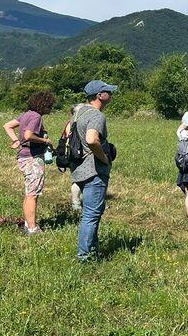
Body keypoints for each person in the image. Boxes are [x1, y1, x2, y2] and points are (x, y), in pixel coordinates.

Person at [72, 80, 117, 261]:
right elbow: (91, 139)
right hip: (94, 171)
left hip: (79, 170)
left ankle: (93, 250)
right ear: (99, 95)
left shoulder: (78, 113)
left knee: (91, 212)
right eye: (108, 91)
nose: (111, 94)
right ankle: (85, 256)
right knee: (91, 214)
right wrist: (103, 158)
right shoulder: (97, 115)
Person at [2, 92, 56, 235]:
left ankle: (28, 224)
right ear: (44, 105)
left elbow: (7, 125)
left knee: (29, 193)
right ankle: (32, 229)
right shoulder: (36, 117)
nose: (51, 108)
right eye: (50, 105)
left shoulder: (26, 114)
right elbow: (28, 135)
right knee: (33, 194)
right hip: (33, 158)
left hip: (23, 157)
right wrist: (45, 141)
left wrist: (16, 140)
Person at [63, 104, 83, 211]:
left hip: (72, 154)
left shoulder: (69, 123)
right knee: (78, 179)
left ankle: (81, 202)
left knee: (79, 178)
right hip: (77, 155)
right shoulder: (76, 123)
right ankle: (76, 203)